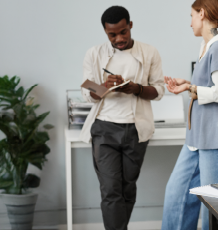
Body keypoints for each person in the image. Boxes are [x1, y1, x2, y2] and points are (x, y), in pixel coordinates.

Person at [79, 5, 165, 230]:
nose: (119, 38)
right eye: (112, 35)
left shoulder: (149, 53)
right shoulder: (94, 54)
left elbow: (158, 91)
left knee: (127, 188)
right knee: (110, 190)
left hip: (136, 130)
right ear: (105, 32)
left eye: (123, 32)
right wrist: (104, 87)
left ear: (130, 25)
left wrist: (135, 88)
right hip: (104, 129)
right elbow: (87, 93)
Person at [162, 0, 218, 229]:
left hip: (212, 138)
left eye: (192, 15)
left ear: (202, 13)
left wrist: (190, 89)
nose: (190, 22)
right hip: (196, 137)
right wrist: (189, 82)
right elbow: (211, 84)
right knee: (176, 194)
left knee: (213, 207)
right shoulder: (207, 47)